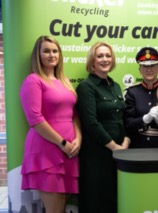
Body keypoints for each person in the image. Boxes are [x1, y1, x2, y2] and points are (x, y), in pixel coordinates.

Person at [20, 35, 81, 213]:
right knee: (55, 209)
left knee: (61, 207)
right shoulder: (34, 80)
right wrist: (62, 143)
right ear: (38, 55)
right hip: (47, 151)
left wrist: (78, 139)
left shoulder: (65, 81)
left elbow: (75, 115)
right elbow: (35, 119)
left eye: (55, 51)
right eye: (46, 51)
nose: (51, 55)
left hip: (70, 151)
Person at [76, 41, 130, 213]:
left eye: (108, 55)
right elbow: (91, 123)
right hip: (97, 155)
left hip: (120, 154)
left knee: (115, 200)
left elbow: (123, 117)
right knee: (97, 202)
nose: (105, 59)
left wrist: (126, 143)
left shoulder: (116, 86)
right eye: (100, 56)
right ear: (92, 61)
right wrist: (114, 147)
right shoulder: (86, 87)